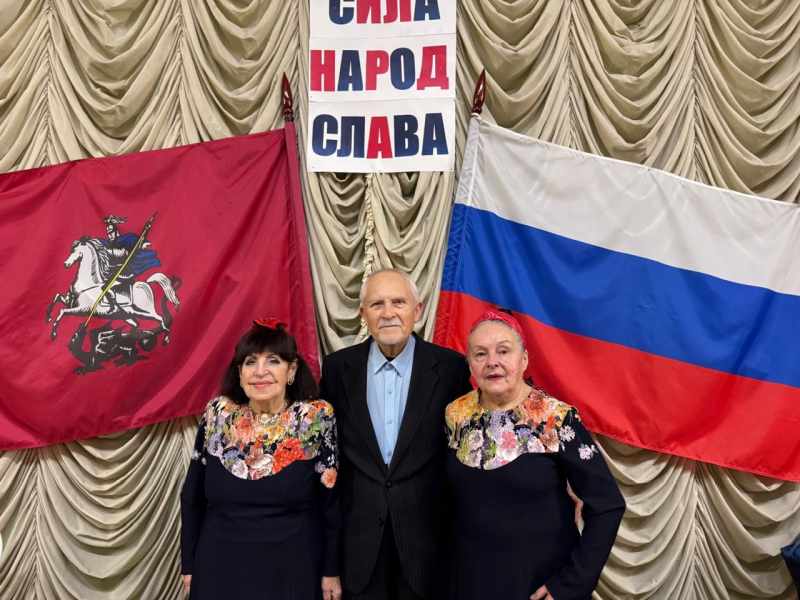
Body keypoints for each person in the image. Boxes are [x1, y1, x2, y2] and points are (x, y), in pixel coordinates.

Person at [445, 310, 625, 600]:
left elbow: (607, 505)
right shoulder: (455, 415)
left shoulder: (556, 418)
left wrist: (571, 585)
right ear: (470, 364)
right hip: (468, 583)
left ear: (524, 359)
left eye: (504, 351)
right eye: (480, 354)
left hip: (537, 585)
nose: (492, 362)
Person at [319, 269, 472, 600]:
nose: (388, 313)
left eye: (398, 302)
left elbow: (461, 457)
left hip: (428, 551)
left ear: (417, 310)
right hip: (358, 551)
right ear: (363, 314)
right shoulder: (336, 369)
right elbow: (330, 465)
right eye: (377, 304)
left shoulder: (451, 369)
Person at [180, 319, 342, 600]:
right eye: (250, 362)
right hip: (218, 568)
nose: (260, 372)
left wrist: (331, 569)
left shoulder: (315, 418)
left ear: (291, 370)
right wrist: (189, 565)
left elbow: (331, 504)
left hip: (293, 569)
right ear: (239, 373)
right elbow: (192, 496)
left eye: (273, 361)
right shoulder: (218, 415)